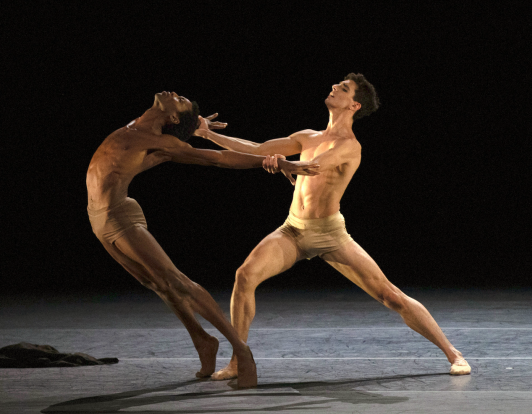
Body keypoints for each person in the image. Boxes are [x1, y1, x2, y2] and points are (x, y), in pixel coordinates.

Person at [193, 74, 471, 379]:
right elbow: (258, 148)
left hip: (329, 234)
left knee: (390, 296)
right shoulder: (307, 136)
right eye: (337, 84)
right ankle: (238, 361)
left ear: (354, 104)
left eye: (344, 88)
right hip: (292, 230)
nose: (335, 88)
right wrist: (207, 134)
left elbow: (310, 168)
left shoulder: (350, 146)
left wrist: (280, 163)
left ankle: (453, 354)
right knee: (244, 276)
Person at [86, 91, 320, 389]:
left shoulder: (161, 141)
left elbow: (219, 159)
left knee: (176, 281)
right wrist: (186, 128)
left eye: (181, 101)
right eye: (183, 100)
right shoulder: (140, 129)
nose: (177, 95)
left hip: (119, 215)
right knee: (155, 283)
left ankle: (241, 350)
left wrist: (271, 162)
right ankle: (202, 341)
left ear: (170, 117)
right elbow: (128, 159)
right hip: (97, 218)